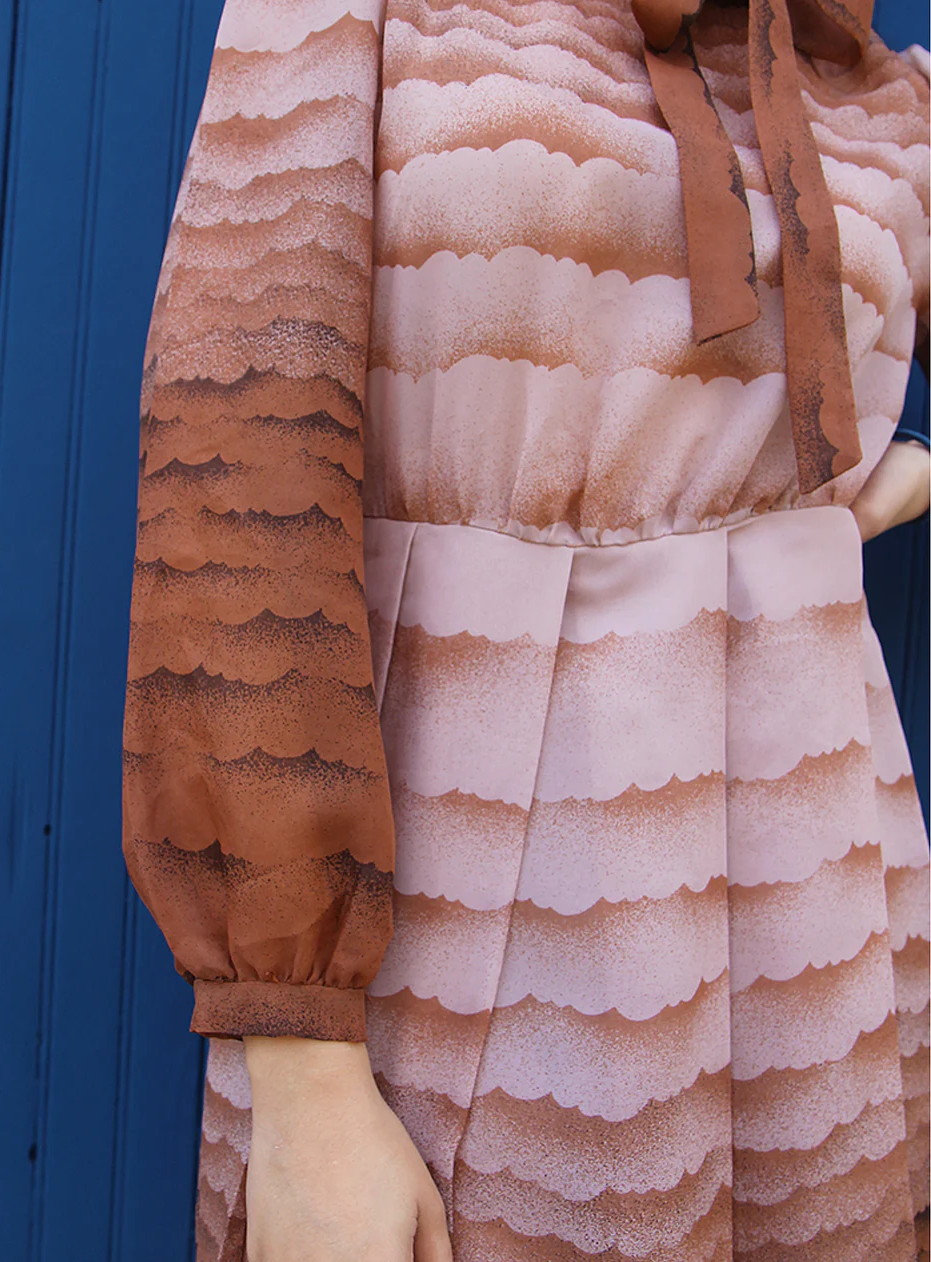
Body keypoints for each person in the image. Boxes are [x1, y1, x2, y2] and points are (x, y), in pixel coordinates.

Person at [121, 0, 931, 1258]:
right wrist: (301, 1064)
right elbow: (238, 478)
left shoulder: (866, 82)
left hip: (816, 907)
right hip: (458, 891)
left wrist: (909, 459)